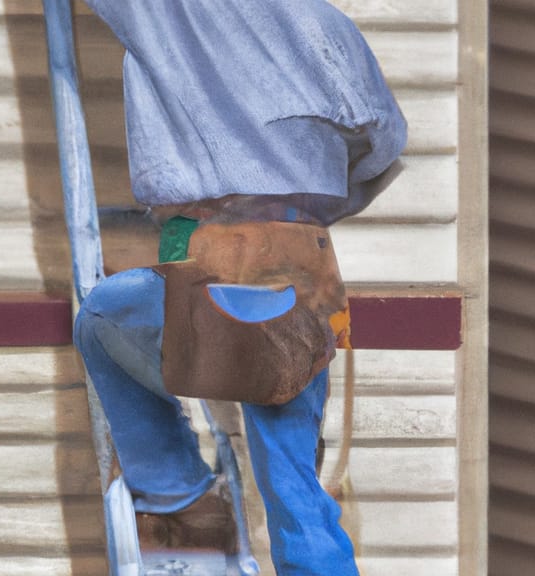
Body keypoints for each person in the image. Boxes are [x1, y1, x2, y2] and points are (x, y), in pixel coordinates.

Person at [73, 1, 407, 574]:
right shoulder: (327, 24)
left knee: (100, 318)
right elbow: (384, 142)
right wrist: (315, 194)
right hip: (305, 255)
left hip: (209, 244)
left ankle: (177, 497)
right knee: (295, 482)